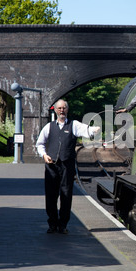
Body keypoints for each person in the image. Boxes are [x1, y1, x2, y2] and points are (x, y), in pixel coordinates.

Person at [36, 99, 100, 234]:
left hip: (67, 165)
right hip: (52, 166)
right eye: (59, 108)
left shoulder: (74, 125)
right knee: (51, 195)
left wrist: (94, 130)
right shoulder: (49, 127)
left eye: (64, 108)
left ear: (67, 109)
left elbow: (86, 130)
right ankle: (52, 223)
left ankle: (63, 224)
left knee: (66, 195)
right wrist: (44, 155)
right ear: (55, 110)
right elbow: (40, 144)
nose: (62, 110)